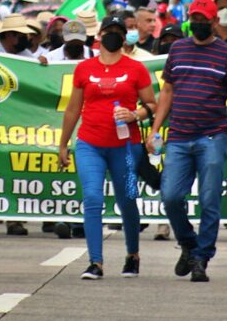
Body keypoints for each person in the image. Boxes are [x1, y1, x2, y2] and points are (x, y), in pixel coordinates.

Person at [150, 0, 227, 282]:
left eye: (204, 20)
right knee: (170, 196)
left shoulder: (226, 54)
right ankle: (189, 243)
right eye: (195, 19)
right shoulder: (178, 49)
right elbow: (167, 92)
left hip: (212, 137)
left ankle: (202, 257)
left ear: (215, 22)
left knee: (209, 199)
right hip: (178, 136)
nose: (199, 24)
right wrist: (155, 129)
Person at [58, 15, 157, 280]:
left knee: (127, 200)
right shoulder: (83, 68)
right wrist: (63, 144)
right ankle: (95, 262)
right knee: (92, 198)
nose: (112, 35)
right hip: (90, 143)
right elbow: (72, 109)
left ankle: (132, 255)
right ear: (99, 35)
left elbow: (153, 105)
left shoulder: (136, 68)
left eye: (117, 31)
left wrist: (135, 114)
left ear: (124, 37)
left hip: (126, 147)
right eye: (108, 30)